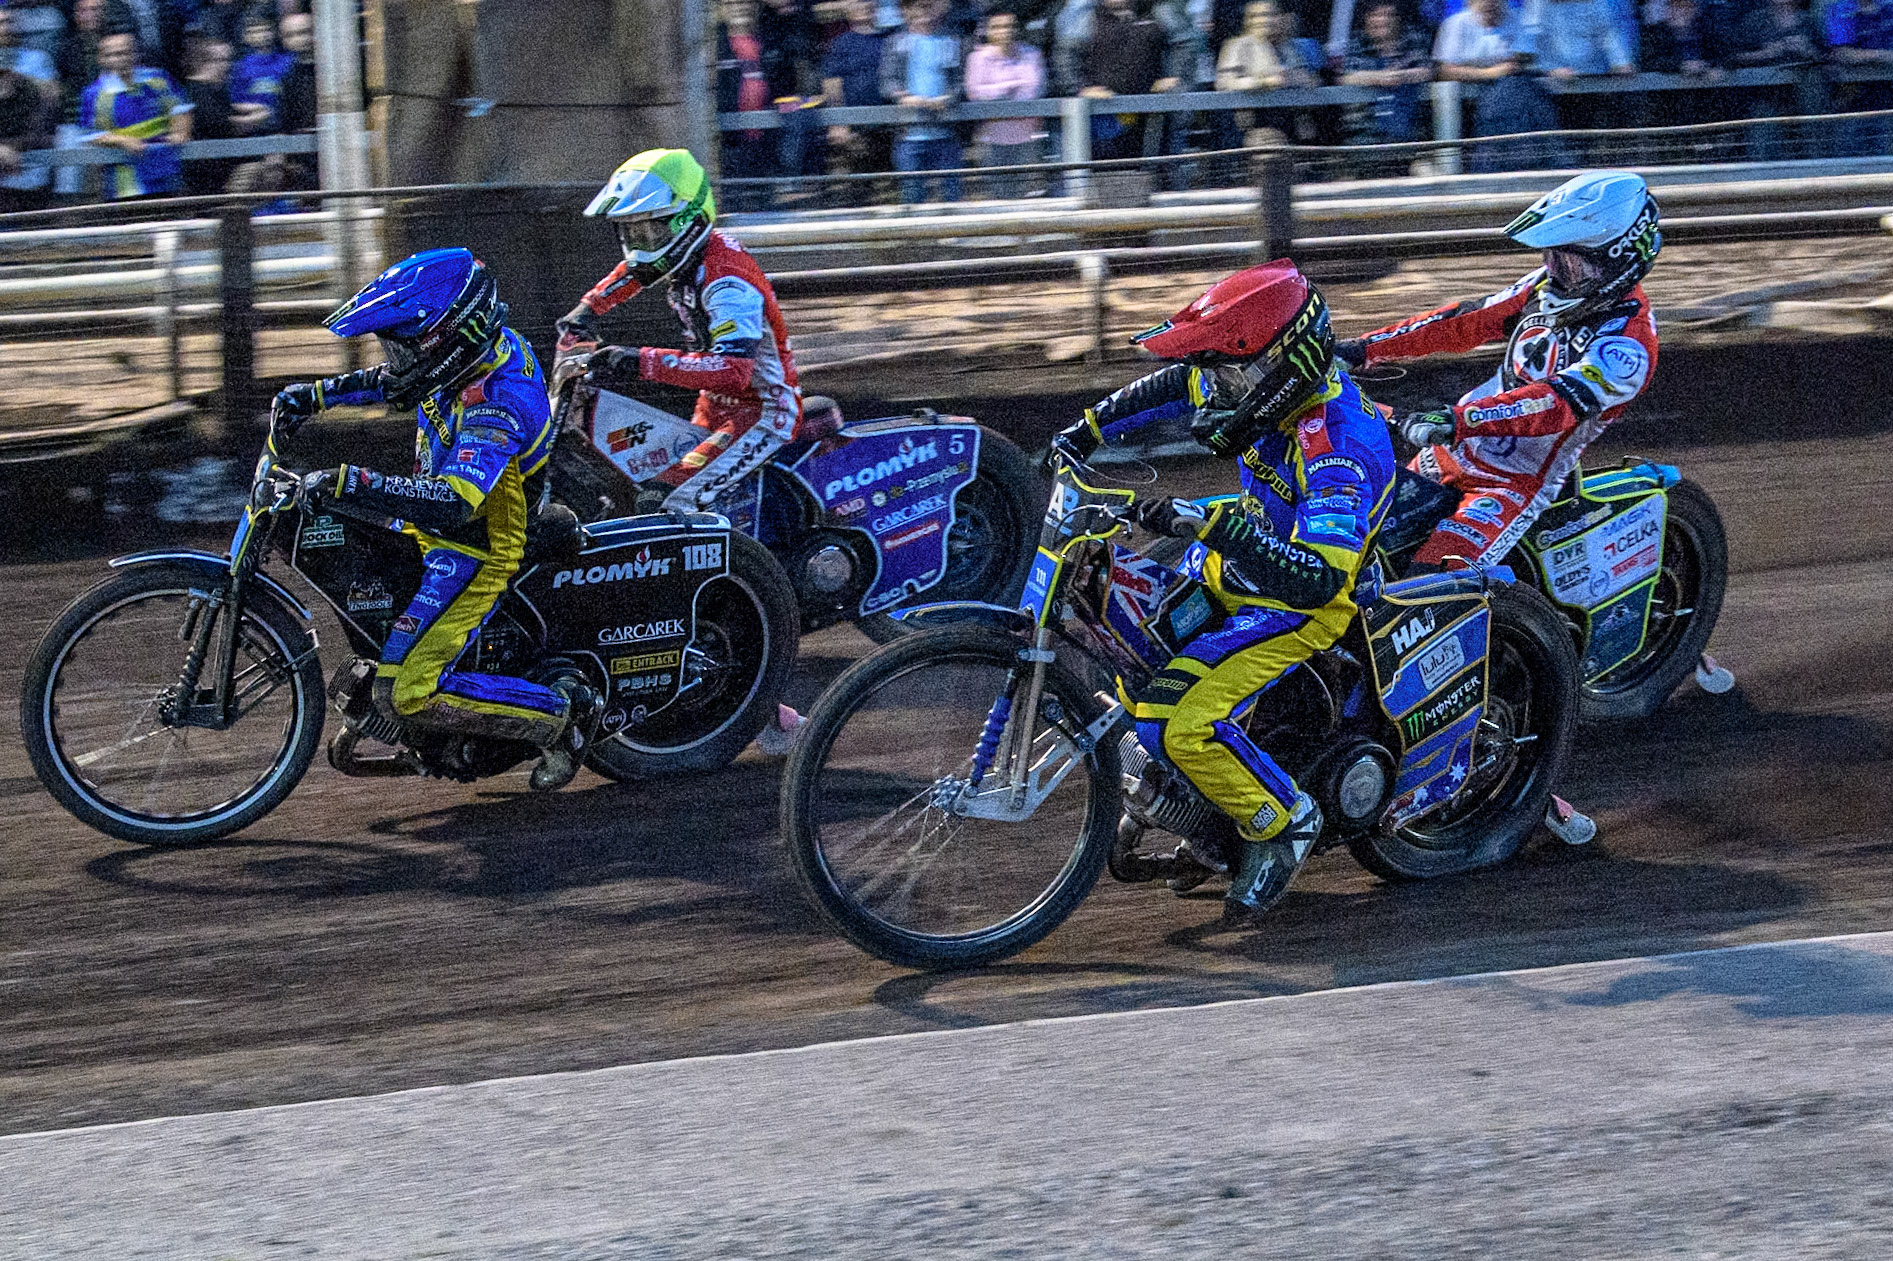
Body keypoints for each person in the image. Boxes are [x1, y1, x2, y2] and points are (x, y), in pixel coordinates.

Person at [1053, 261, 1397, 925]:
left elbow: (1319, 578)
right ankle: (1198, 806)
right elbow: (1178, 380)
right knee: (1119, 623)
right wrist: (1087, 429)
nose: (1213, 391)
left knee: (1176, 720)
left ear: (1281, 368)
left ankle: (1281, 822)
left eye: (1229, 378)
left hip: (1298, 604)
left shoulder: (1337, 443)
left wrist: (1219, 527)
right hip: (1237, 560)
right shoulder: (1274, 387)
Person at [272, 249, 598, 793]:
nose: (393, 358)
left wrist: (353, 481)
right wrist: (317, 394)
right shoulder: (465, 356)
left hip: (478, 546)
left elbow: (455, 501)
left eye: (401, 345)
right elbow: (397, 379)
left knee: (407, 691)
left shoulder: (500, 399)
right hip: (433, 526)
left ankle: (563, 714)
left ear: (447, 338)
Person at [1337, 170, 1661, 571]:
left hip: (1510, 484)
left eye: (1571, 264)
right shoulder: (1544, 288)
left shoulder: (1626, 347)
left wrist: (1459, 420)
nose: (1555, 273)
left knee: (1433, 583)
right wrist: (1360, 350)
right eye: (1552, 257)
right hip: (1447, 451)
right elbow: (1464, 322)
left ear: (1618, 262)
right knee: (1356, 539)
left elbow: (1552, 405)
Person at [555, 148, 804, 516]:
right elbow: (633, 272)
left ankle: (739, 570)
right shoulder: (691, 255)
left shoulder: (727, 282)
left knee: (668, 502)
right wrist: (586, 311)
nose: (641, 244)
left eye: (650, 229)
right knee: (636, 479)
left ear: (687, 219)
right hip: (713, 407)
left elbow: (733, 371)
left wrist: (639, 361)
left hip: (762, 413)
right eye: (632, 231)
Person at [79, 29, 192, 198]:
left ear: (136, 54)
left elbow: (180, 108)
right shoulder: (93, 93)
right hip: (124, 182)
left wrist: (181, 131)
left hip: (166, 172)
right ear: (101, 59)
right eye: (112, 55)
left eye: (125, 52)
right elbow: (88, 134)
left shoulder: (158, 79)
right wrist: (121, 140)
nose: (120, 59)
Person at [880, 0, 963, 202]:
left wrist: (949, 97)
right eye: (915, 6)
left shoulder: (950, 40)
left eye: (927, 5)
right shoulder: (895, 42)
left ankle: (954, 234)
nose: (922, 11)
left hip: (945, 131)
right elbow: (887, 81)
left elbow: (959, 81)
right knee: (912, 197)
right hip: (909, 135)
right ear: (905, 11)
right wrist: (905, 97)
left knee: (952, 194)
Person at [1082, 0, 1178, 159]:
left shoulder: (1154, 13)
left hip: (1145, 113)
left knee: (1142, 170)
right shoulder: (1086, 17)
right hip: (1100, 114)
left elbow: (1176, 46)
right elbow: (1068, 55)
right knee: (1102, 170)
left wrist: (1169, 75)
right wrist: (1081, 89)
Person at [964, 11, 1047, 195]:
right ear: (989, 31)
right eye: (998, 27)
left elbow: (1033, 90)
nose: (1005, 31)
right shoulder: (976, 58)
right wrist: (1011, 86)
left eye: (1009, 26)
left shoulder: (1032, 54)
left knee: (1027, 196)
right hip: (991, 139)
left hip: (1027, 137)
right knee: (998, 196)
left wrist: (997, 91)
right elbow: (975, 93)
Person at [1339, 1, 1432, 153]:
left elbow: (1428, 71)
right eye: (1375, 15)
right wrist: (1378, 77)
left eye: (1388, 15)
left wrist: (1401, 76)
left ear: (1398, 18)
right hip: (1365, 135)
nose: (1382, 20)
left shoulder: (1414, 38)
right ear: (1366, 18)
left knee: (1425, 169)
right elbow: (1346, 77)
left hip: (1411, 134)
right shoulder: (1356, 43)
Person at [820, 0, 889, 178]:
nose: (863, 6)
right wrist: (838, 121)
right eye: (857, 2)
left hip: (887, 123)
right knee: (859, 182)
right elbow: (831, 83)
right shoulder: (841, 43)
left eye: (867, 2)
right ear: (848, 11)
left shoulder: (888, 40)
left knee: (889, 186)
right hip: (855, 125)